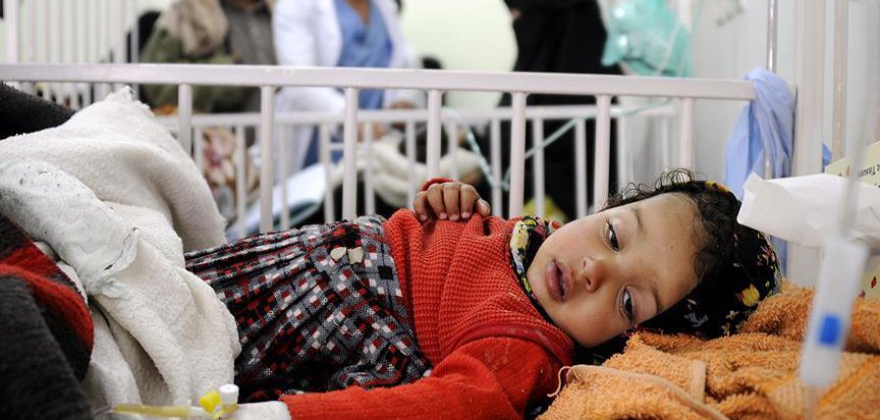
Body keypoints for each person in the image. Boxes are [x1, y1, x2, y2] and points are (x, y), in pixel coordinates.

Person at [184, 168, 781, 419]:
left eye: (628, 303)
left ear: (635, 338)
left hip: (316, 317)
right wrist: (445, 196)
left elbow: (432, 409)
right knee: (177, 288)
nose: (594, 269)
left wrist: (281, 415)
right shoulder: (539, 240)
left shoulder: (526, 347)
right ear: (605, 209)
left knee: (177, 337)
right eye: (613, 235)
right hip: (288, 266)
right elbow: (460, 249)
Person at [487, 0, 624, 222]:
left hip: (566, 216)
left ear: (547, 14)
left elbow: (577, 170)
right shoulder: (533, 68)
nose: (514, 21)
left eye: (519, 12)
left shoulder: (598, 89)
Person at [271, 0, 424, 174]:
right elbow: (298, 79)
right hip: (317, 147)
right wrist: (351, 117)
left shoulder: (383, 2)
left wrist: (404, 99)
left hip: (376, 147)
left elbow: (400, 60)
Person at [140, 0, 278, 113]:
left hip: (285, 125)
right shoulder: (185, 11)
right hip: (215, 127)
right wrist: (224, 75)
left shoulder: (282, 4)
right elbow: (157, 85)